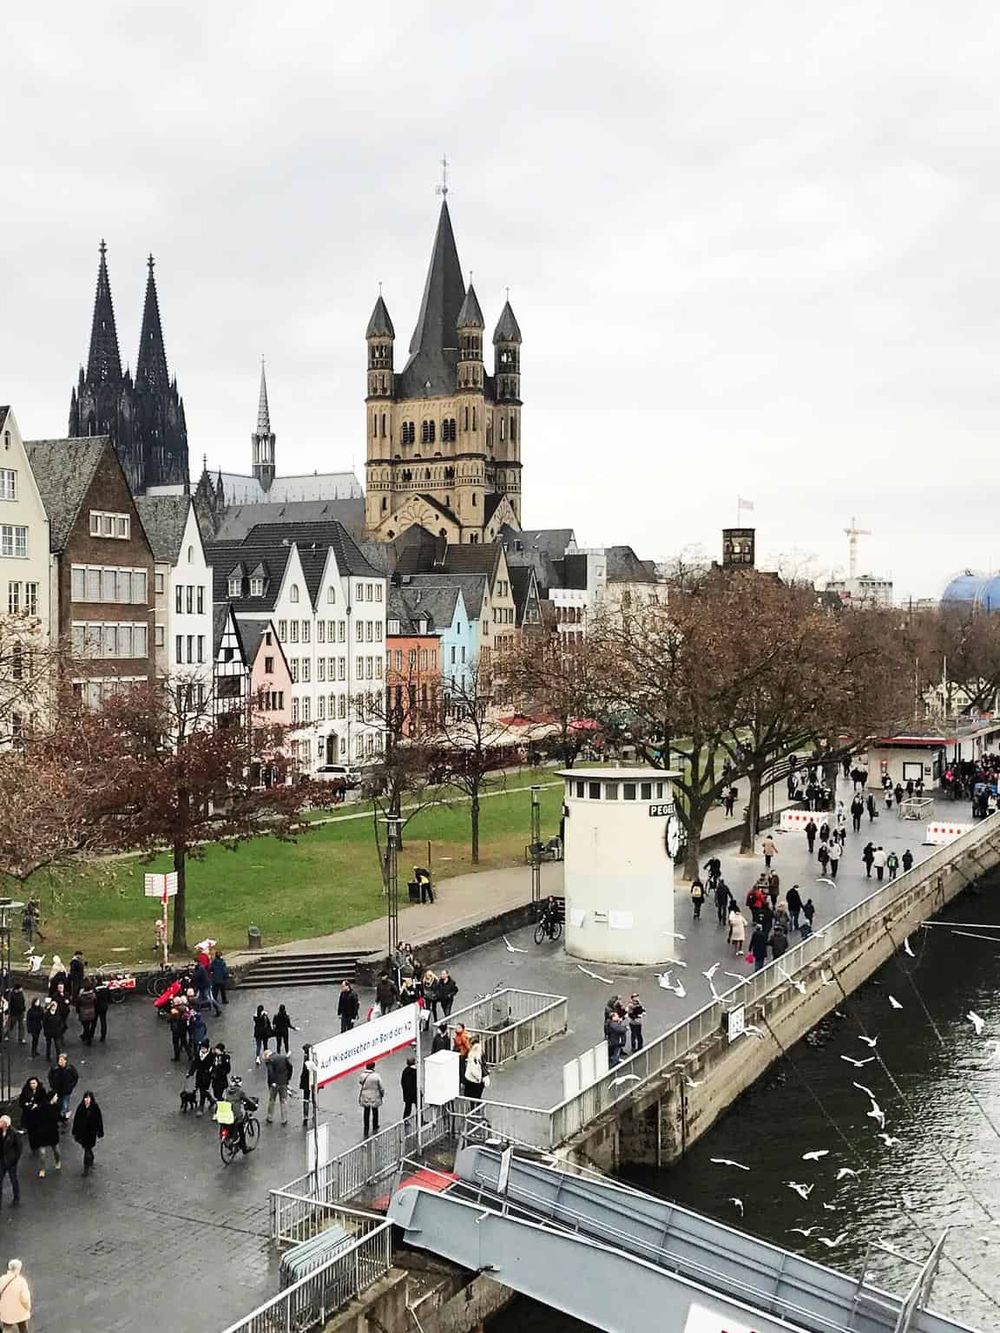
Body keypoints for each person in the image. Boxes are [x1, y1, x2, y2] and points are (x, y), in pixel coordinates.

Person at [19, 1078, 59, 1178]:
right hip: (37, 1125)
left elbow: (57, 1116)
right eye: (31, 1083)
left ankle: (58, 1161)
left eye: (34, 1083)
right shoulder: (26, 1092)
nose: (33, 1085)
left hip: (51, 1130)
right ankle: (42, 1167)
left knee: (55, 1149)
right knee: (42, 1151)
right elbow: (22, 1102)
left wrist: (37, 1106)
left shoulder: (47, 1101)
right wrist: (28, 1105)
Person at [222, 1075, 258, 1153]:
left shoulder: (227, 1090)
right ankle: (244, 1148)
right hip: (236, 1115)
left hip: (227, 1114)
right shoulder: (240, 1092)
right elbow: (248, 1100)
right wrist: (254, 1104)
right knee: (241, 1131)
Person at [71, 1091, 104, 1175]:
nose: (87, 1100)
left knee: (87, 1149)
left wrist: (100, 1131)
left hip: (91, 1133)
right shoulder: (81, 1107)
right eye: (86, 1098)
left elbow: (99, 1120)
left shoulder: (95, 1108)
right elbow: (76, 1120)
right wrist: (75, 1131)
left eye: (88, 1098)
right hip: (83, 1133)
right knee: (87, 1148)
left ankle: (86, 1167)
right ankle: (90, 1158)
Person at [263, 1049, 293, 1125]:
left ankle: (270, 1117)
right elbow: (290, 1067)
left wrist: (272, 1082)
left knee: (272, 1100)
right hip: (283, 1082)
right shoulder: (283, 1057)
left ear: (267, 1056)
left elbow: (270, 1072)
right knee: (283, 1101)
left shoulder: (270, 1060)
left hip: (274, 1084)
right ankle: (284, 1119)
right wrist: (287, 1078)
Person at [0, 1258, 31, 1331]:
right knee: (23, 1328)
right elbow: (25, 1299)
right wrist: (27, 1307)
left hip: (5, 1311)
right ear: (18, 1269)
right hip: (19, 1312)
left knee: (7, 1327)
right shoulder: (21, 1281)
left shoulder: (2, 1279)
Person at [48, 1052, 79, 1123]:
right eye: (59, 1060)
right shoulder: (55, 1069)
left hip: (66, 1090)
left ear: (65, 1061)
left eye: (62, 1060)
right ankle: (60, 1116)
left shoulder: (70, 1069)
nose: (60, 1062)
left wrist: (71, 1086)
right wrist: (52, 1086)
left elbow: (75, 1077)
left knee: (65, 1104)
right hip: (57, 1090)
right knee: (59, 1103)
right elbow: (50, 1077)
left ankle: (64, 1116)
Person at [358, 1062, 385, 1138]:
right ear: (373, 1067)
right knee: (375, 1111)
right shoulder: (377, 1076)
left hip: (365, 1095)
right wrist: (382, 1094)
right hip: (374, 1095)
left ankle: (366, 1126)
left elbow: (360, 1082)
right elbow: (381, 1087)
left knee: (366, 1111)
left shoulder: (362, 1075)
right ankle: (375, 1125)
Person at [189, 1041, 215, 1116]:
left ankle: (201, 1107)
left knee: (202, 1091)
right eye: (201, 1048)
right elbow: (194, 1064)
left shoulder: (211, 1055)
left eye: (204, 1048)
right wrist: (190, 1072)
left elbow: (213, 1065)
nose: (202, 1049)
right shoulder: (198, 1053)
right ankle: (211, 1099)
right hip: (199, 1074)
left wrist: (212, 1072)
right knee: (199, 1088)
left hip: (207, 1076)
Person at [0, 1116, 21, 1208]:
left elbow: (19, 1148)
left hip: (10, 1161)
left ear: (6, 1124)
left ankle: (16, 1197)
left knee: (13, 1179)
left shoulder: (13, 1133)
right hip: (1, 1160)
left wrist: (15, 1159)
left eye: (1, 1122)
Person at [299, 1044, 315, 1128]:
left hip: (306, 1082)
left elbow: (304, 1072)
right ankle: (314, 1114)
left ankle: (305, 1116)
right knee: (314, 1098)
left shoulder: (306, 1060)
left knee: (306, 1099)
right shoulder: (314, 1058)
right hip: (313, 1082)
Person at [401, 1054, 418, 1119]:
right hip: (414, 1093)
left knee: (408, 1107)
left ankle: (405, 1119)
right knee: (419, 1107)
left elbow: (402, 1082)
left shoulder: (405, 1071)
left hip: (407, 1094)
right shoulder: (415, 1071)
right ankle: (420, 1120)